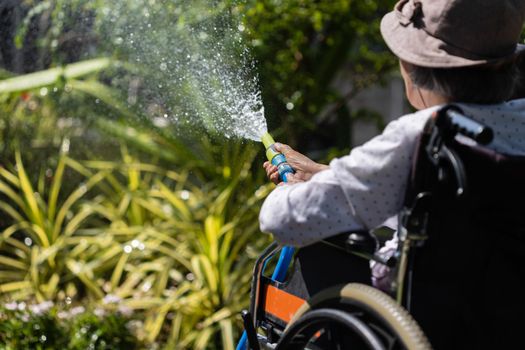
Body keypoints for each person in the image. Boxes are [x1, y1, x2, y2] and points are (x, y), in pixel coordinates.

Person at [259, 0, 525, 288]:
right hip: (504, 313)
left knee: (320, 253)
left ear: (412, 68)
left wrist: (292, 188)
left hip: (423, 315)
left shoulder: (421, 138)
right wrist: (322, 174)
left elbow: (281, 219)